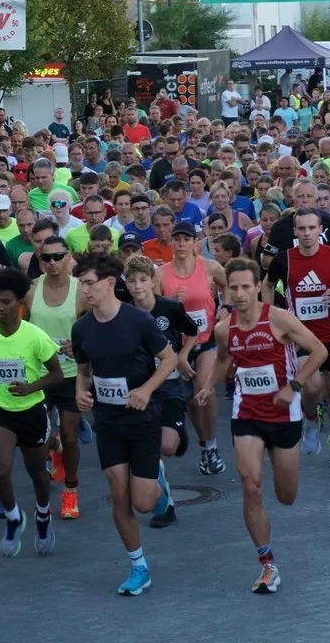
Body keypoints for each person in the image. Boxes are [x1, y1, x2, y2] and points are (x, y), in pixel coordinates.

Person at [199, 258, 326, 594]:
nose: (239, 294)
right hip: (248, 414)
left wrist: (294, 386)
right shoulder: (224, 328)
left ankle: (313, 422)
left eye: (245, 287)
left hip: (285, 415)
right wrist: (208, 385)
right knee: (251, 485)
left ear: (257, 287)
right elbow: (224, 359)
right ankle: (267, 564)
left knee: (286, 497)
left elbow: (319, 351)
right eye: (233, 288)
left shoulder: (279, 319)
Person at [72, 254, 178, 595]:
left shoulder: (138, 321)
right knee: (118, 495)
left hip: (143, 418)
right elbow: (84, 371)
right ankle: (139, 566)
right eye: (81, 284)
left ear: (108, 283)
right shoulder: (81, 327)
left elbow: (169, 359)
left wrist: (147, 389)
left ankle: (158, 485)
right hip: (108, 419)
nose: (84, 289)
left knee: (143, 503)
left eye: (89, 283)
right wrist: (80, 394)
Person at [0, 267, 64, 556]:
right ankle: (13, 518)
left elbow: (57, 375)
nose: (0, 307)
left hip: (31, 410)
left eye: (6, 302)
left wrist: (30, 387)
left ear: (20, 303)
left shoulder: (35, 336)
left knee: (37, 472)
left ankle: (42, 513)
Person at [265, 208, 330, 466]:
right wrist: (269, 314)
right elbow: (267, 284)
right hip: (300, 336)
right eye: (302, 229)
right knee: (312, 386)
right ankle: (310, 419)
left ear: (320, 230)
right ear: (295, 231)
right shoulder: (284, 259)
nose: (307, 234)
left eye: (312, 228)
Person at [124, 256, 198, 527]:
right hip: (143, 387)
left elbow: (193, 330)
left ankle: (176, 433)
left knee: (168, 445)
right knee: (152, 445)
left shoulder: (169, 307)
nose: (138, 286)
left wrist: (183, 355)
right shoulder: (125, 314)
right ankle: (165, 505)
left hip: (170, 384)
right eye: (132, 281)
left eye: (143, 279)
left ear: (153, 281)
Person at [157, 221, 228, 476]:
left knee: (203, 391)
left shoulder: (210, 267)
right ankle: (204, 443)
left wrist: (225, 308)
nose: (181, 244)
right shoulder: (162, 274)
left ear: (194, 242)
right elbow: (152, 308)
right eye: (177, 239)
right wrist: (168, 303)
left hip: (206, 339)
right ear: (172, 242)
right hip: (175, 347)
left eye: (186, 239)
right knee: (190, 402)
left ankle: (212, 446)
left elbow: (226, 285)